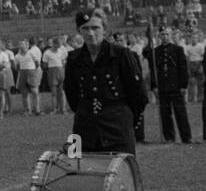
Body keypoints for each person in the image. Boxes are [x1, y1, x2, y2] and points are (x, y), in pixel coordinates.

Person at [63, 9, 148, 154]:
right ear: (79, 31)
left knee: (121, 174)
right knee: (78, 172)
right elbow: (72, 93)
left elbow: (139, 94)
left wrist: (124, 119)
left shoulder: (122, 55)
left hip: (117, 130)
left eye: (95, 28)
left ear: (105, 29)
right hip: (84, 129)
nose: (90, 33)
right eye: (85, 28)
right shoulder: (74, 59)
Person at [146, 27, 192, 144]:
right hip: (162, 87)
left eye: (167, 34)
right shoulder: (155, 52)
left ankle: (186, 137)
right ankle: (169, 137)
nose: (165, 36)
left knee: (180, 113)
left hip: (176, 87)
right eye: (162, 34)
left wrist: (183, 85)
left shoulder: (178, 49)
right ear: (159, 37)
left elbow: (183, 68)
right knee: (165, 114)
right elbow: (153, 70)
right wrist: (154, 86)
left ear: (170, 35)